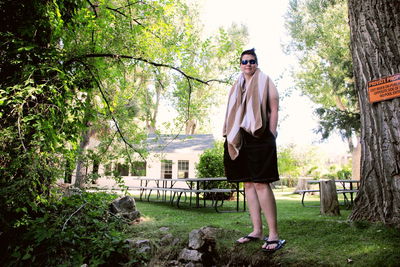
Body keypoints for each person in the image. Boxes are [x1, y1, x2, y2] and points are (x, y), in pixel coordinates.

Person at [223, 48, 285, 252]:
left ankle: (274, 234)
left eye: (252, 61)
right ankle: (256, 230)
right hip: (240, 137)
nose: (248, 64)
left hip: (260, 136)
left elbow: (274, 108)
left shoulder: (265, 80)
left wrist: (272, 133)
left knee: (260, 184)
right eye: (245, 61)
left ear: (256, 63)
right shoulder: (237, 84)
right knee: (248, 184)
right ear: (240, 65)